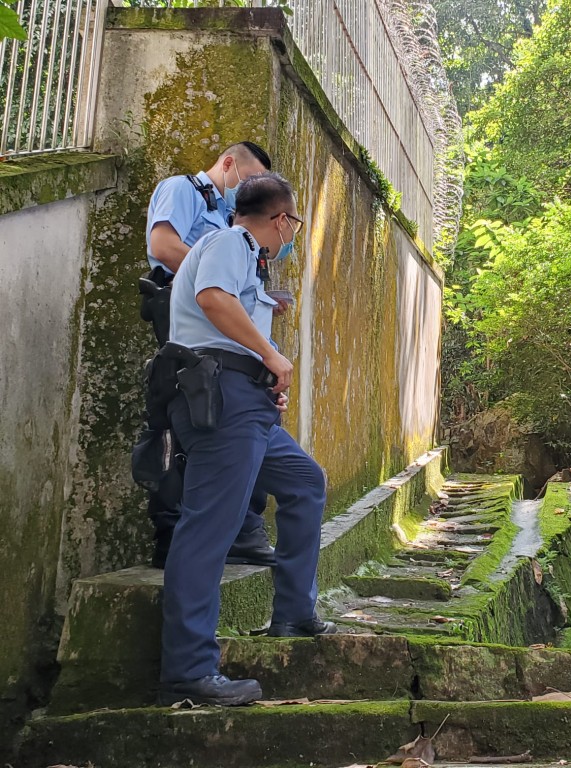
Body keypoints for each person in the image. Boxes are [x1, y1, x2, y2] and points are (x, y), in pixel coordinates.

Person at [158, 173, 337, 708]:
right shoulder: (229, 241)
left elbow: (227, 304)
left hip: (247, 404)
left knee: (306, 482)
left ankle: (293, 613)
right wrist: (272, 355)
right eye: (293, 225)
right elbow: (212, 298)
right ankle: (190, 669)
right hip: (224, 399)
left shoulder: (247, 262)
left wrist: (265, 374)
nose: (290, 235)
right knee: (209, 526)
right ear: (281, 220)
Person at [141, 142, 277, 569]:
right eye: (250, 179)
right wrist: (213, 275)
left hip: (218, 322)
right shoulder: (181, 189)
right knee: (191, 420)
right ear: (228, 163)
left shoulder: (227, 219)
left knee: (232, 419)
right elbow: (163, 245)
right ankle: (173, 530)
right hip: (185, 315)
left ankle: (240, 526)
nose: (249, 189)